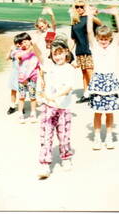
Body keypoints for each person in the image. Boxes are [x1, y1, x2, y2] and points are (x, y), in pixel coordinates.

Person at [36, 40, 76, 179]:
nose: (57, 56)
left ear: (66, 52)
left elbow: (69, 87)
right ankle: (45, 164)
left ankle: (66, 158)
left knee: (64, 137)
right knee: (46, 136)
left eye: (60, 53)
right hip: (48, 108)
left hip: (63, 108)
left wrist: (55, 95)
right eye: (54, 54)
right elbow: (38, 54)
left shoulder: (70, 69)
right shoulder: (49, 67)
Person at [86, 6, 119, 150]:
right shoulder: (94, 47)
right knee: (97, 112)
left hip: (110, 81)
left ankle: (108, 137)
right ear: (97, 39)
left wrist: (116, 15)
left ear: (110, 39)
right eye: (101, 38)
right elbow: (89, 31)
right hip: (98, 81)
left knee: (109, 111)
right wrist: (89, 15)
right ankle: (96, 137)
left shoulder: (113, 46)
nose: (104, 41)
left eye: (106, 39)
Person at [69, 0, 102, 103]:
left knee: (90, 72)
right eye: (77, 6)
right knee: (84, 72)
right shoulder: (75, 21)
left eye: (82, 6)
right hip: (79, 50)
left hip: (89, 49)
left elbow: (100, 23)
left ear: (85, 7)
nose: (79, 8)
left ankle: (96, 94)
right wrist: (67, 51)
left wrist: (91, 13)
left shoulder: (89, 18)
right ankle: (86, 94)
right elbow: (73, 39)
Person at [13, 32, 41, 124]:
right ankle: (20, 114)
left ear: (30, 41)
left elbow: (40, 63)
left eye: (26, 41)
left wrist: (34, 47)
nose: (24, 44)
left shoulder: (35, 52)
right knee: (21, 97)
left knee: (33, 97)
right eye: (21, 43)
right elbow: (19, 57)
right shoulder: (18, 51)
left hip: (32, 77)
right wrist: (30, 49)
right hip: (22, 79)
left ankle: (33, 113)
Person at [5, 38, 21, 115]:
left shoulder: (24, 51)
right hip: (14, 72)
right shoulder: (14, 51)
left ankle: (21, 106)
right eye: (16, 43)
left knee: (22, 91)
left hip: (22, 73)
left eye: (19, 43)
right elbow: (7, 58)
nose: (18, 45)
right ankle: (12, 105)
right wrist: (11, 50)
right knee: (13, 90)